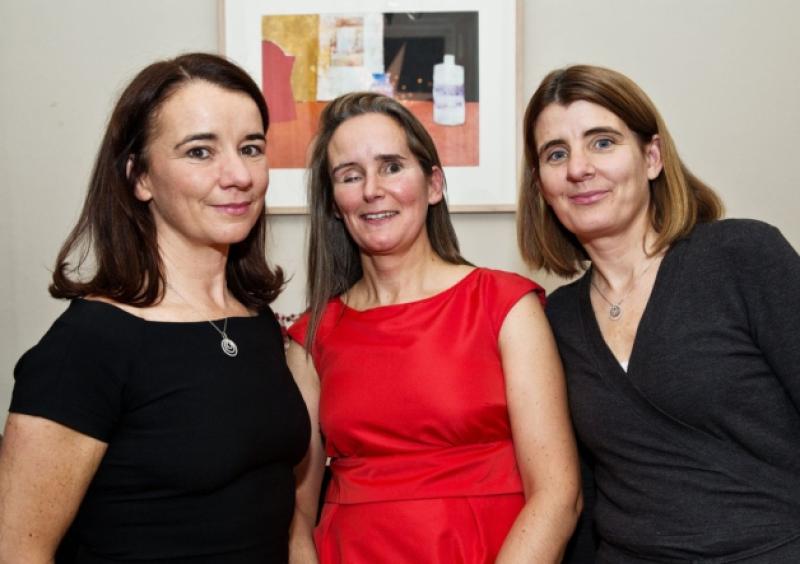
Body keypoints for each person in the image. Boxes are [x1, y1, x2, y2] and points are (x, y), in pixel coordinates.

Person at [0, 53, 310, 562]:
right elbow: (19, 552)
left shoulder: (257, 324)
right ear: (139, 177)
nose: (238, 175)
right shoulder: (88, 345)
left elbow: (283, 519)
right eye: (199, 152)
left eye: (250, 148)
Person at [518, 64, 800, 563]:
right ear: (542, 187)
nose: (578, 168)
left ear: (652, 157)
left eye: (602, 142)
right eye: (556, 154)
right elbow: (583, 493)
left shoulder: (742, 255)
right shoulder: (556, 317)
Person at [285, 91, 581, 564]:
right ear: (335, 204)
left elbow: (558, 494)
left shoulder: (505, 306)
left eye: (391, 166)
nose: (371, 190)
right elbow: (296, 517)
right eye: (349, 175)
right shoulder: (309, 337)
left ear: (434, 184)